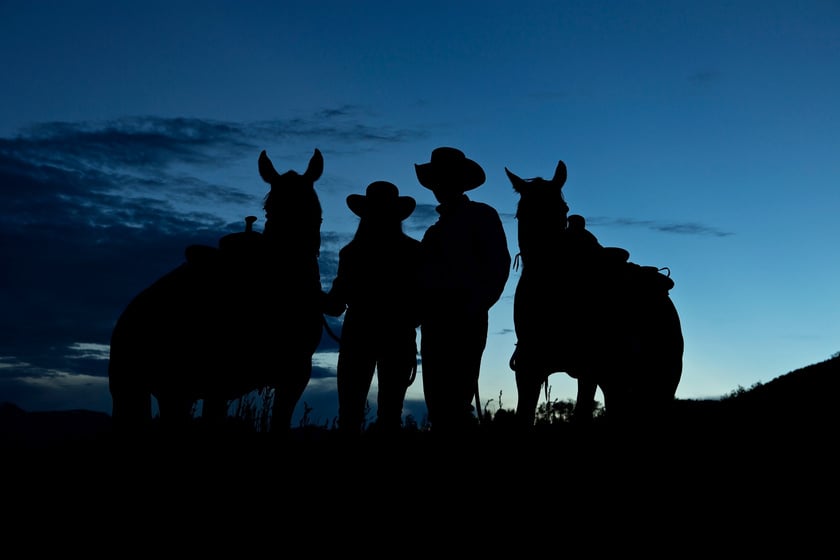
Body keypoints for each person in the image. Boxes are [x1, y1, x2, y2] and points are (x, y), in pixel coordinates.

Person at [414, 147, 511, 433]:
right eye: (437, 182)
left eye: (444, 180)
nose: (439, 188)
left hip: (465, 316)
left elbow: (498, 265)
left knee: (456, 398)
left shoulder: (481, 216)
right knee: (437, 398)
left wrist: (475, 305)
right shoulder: (433, 232)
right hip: (435, 321)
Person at [322, 181, 422, 437]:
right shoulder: (412, 251)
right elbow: (421, 303)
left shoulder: (352, 253)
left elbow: (334, 305)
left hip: (358, 337)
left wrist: (312, 297)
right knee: (390, 415)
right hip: (398, 338)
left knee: (350, 415)